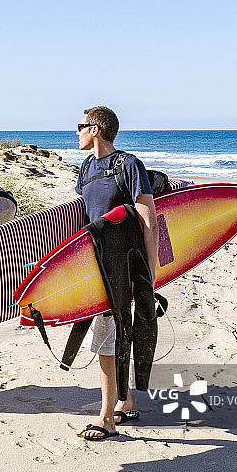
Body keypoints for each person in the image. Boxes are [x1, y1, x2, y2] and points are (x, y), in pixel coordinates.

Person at [75, 106, 158, 441]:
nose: (76, 132)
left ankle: (107, 418)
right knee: (112, 335)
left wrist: (150, 278)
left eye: (80, 126)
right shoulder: (85, 168)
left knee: (106, 338)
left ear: (96, 129)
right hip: (98, 264)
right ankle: (127, 400)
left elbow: (149, 222)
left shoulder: (129, 164)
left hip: (124, 267)